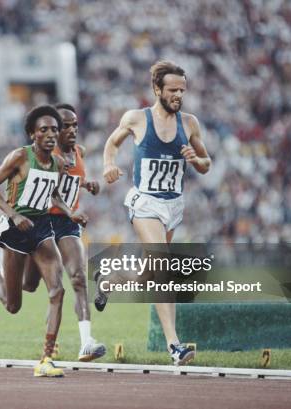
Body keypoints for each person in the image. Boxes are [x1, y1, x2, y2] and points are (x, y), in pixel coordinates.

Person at [101, 60, 211, 365]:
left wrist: (195, 159)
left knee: (149, 277)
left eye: (182, 90)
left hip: (174, 205)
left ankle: (109, 281)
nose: (178, 95)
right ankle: (174, 346)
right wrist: (109, 165)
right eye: (173, 90)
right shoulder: (137, 118)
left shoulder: (189, 123)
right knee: (164, 266)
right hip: (145, 202)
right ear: (157, 89)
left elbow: (206, 164)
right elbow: (111, 144)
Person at [0, 105, 87, 377]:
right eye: (43, 129)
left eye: (54, 130)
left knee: (56, 290)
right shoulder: (20, 156)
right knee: (13, 305)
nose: (50, 134)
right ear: (32, 133)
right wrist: (14, 214)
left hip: (41, 229)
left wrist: (71, 213)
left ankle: (46, 359)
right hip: (14, 230)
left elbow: (53, 194)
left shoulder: (57, 163)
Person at [20, 103, 106, 362]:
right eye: (65, 126)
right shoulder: (47, 156)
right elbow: (47, 192)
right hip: (42, 222)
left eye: (75, 125)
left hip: (68, 226)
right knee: (29, 285)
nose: (72, 130)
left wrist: (87, 184)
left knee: (77, 278)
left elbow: (72, 182)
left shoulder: (80, 152)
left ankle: (86, 342)